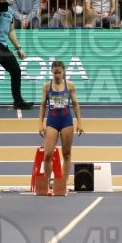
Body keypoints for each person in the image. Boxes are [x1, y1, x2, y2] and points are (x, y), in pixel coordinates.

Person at [37, 61, 84, 191]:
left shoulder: (70, 86)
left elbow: (75, 104)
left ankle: (63, 182)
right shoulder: (47, 87)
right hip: (52, 121)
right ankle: (47, 182)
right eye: (55, 72)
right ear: (51, 72)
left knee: (67, 154)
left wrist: (79, 122)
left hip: (66, 121)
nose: (57, 75)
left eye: (59, 72)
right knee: (48, 154)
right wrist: (40, 124)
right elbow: (42, 106)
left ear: (63, 72)